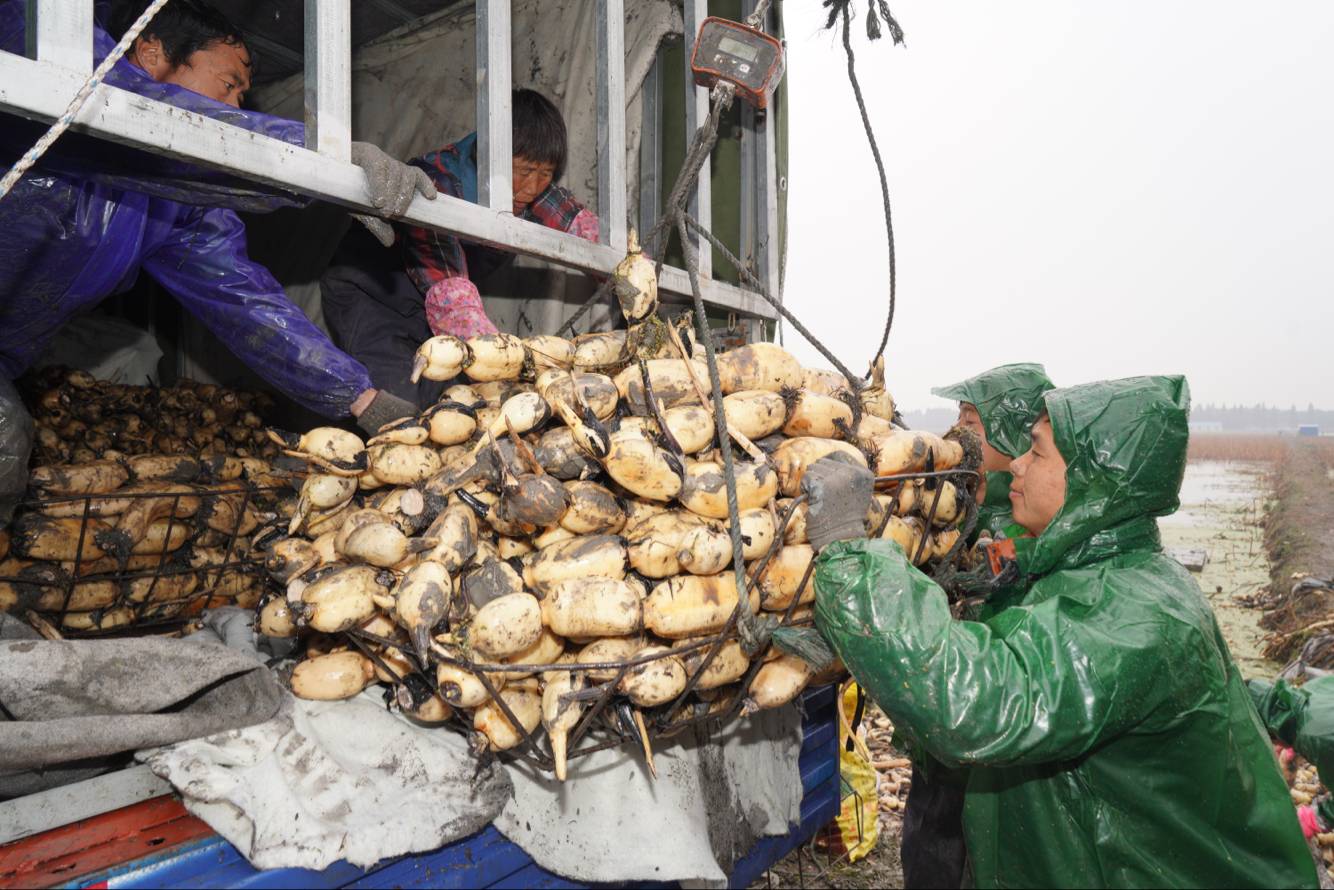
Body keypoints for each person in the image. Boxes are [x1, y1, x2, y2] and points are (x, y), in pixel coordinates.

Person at [801, 376, 1317, 888]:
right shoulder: (1092, 568)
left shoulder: (1135, 617)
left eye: (1038, 453)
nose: (1019, 465)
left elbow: (978, 704)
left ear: (1095, 481)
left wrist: (848, 555)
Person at [0, 0, 427, 464]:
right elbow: (120, 102)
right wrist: (319, 159)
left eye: (242, 98)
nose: (235, 107)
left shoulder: (177, 206)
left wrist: (363, 400)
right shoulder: (47, 42)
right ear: (151, 55)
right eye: (228, 84)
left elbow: (246, 301)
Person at [321, 88, 599, 406]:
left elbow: (579, 225)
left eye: (545, 173)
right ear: (492, 158)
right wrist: (509, 361)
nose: (533, 186)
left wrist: (631, 268)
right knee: (400, 403)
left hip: (426, 307)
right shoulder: (437, 185)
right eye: (524, 171)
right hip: (371, 295)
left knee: (454, 403)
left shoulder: (528, 188)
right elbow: (448, 290)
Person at [932, 363, 1055, 541]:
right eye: (959, 417)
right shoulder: (948, 504)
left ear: (1014, 439)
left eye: (969, 421)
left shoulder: (1031, 532)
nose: (956, 429)